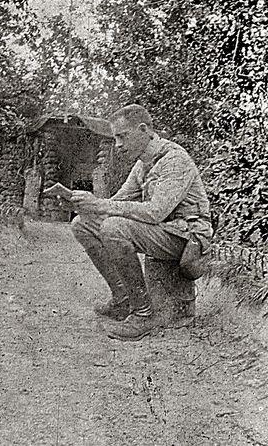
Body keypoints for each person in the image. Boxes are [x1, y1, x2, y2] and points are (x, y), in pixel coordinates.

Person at [70, 104, 213, 342]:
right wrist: (88, 206)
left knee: (114, 228)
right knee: (82, 224)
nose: (118, 145)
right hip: (163, 233)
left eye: (122, 136)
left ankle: (143, 315)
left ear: (143, 129)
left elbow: (156, 212)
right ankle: (123, 300)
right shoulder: (142, 165)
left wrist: (102, 206)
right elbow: (117, 202)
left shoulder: (174, 159)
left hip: (188, 239)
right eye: (115, 138)